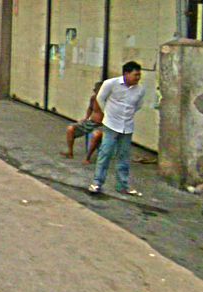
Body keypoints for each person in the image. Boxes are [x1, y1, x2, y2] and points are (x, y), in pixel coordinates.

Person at [88, 61, 145, 195]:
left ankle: (122, 185)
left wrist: (127, 115)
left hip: (127, 127)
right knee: (105, 153)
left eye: (139, 75)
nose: (138, 78)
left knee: (124, 156)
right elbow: (100, 99)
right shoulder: (111, 84)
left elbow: (138, 105)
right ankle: (97, 183)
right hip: (111, 124)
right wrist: (107, 113)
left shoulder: (140, 89)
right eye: (135, 75)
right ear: (126, 73)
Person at [60, 82, 103, 164]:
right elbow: (90, 108)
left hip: (102, 125)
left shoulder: (110, 101)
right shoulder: (93, 98)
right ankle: (70, 152)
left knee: (96, 135)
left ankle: (88, 158)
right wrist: (86, 118)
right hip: (91, 122)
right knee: (70, 128)